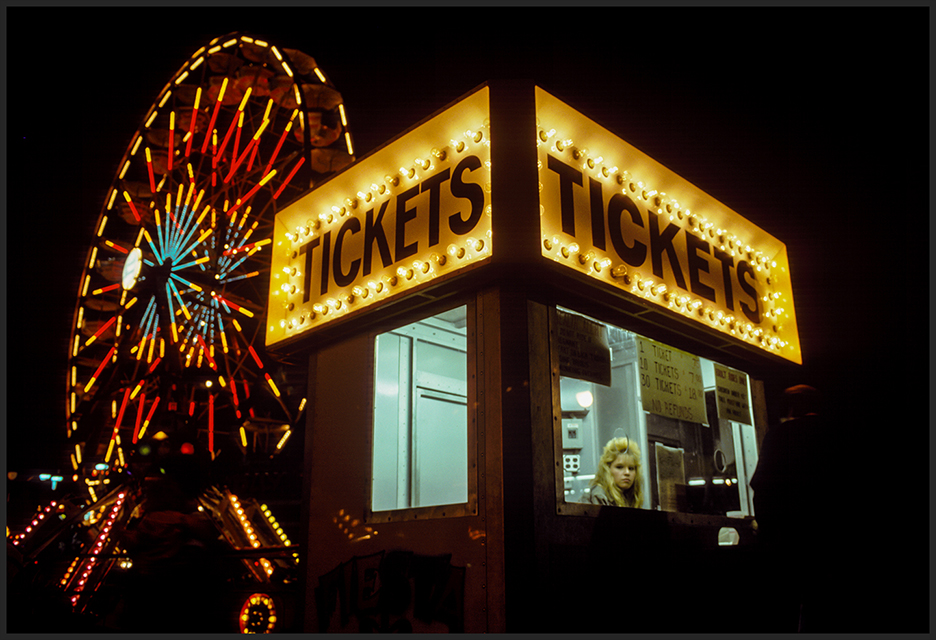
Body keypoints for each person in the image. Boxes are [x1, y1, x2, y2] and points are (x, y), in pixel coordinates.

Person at [750, 384, 839, 632]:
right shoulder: (839, 436)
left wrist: (766, 531)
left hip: (789, 546)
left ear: (790, 407)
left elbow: (762, 486)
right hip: (832, 546)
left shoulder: (780, 435)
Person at [582, 436, 643, 508]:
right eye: (619, 467)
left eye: (631, 468)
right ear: (607, 469)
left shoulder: (629, 497)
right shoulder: (599, 496)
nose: (627, 472)